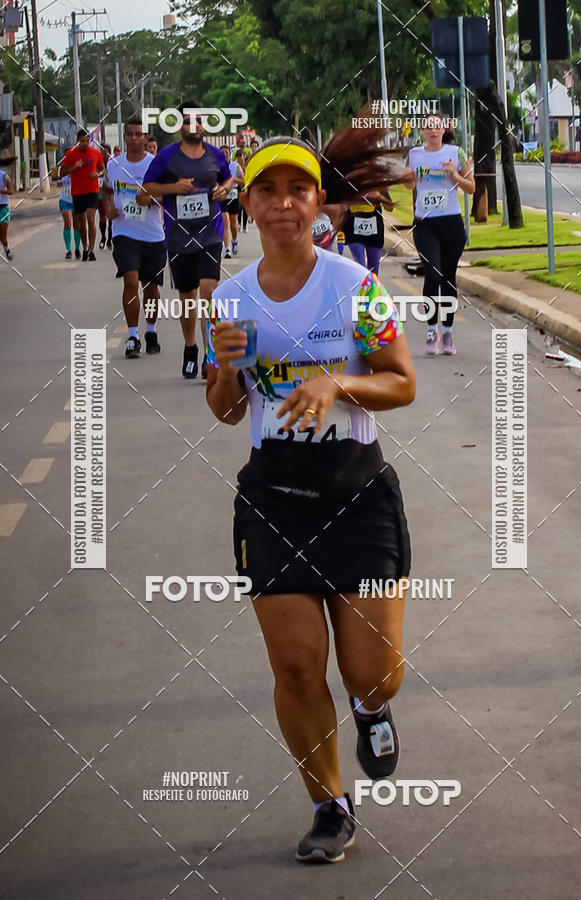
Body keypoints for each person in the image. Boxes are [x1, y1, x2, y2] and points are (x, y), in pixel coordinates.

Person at [206, 126, 416, 864]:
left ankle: (371, 707)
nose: (286, 203)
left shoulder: (356, 287)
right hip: (275, 500)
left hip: (357, 494)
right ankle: (330, 805)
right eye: (269, 190)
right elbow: (226, 410)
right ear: (251, 206)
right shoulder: (229, 301)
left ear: (317, 201)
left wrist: (338, 382)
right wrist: (228, 369)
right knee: (295, 667)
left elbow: (402, 381)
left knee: (371, 669)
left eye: (299, 189)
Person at [142, 100, 233, 379]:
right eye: (188, 120)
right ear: (179, 125)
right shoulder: (167, 157)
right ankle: (190, 347)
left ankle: (209, 355)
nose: (194, 125)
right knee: (188, 297)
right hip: (179, 238)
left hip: (209, 234)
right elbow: (144, 191)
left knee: (208, 292)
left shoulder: (216, 155)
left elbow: (229, 180)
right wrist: (173, 188)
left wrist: (223, 190)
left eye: (198, 120)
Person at [404, 114, 475, 356]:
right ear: (423, 131)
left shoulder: (457, 153)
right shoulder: (414, 155)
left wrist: (454, 176)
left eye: (437, 126)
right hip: (425, 223)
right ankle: (431, 331)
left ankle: (447, 332)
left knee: (448, 277)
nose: (433, 131)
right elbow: (408, 185)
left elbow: (471, 188)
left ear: (444, 130)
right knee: (432, 273)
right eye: (428, 127)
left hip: (451, 223)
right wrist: (410, 180)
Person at [103, 119, 166, 359]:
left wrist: (151, 200)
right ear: (124, 137)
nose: (133, 138)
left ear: (146, 138)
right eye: (129, 134)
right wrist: (108, 207)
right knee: (130, 280)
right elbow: (107, 190)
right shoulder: (114, 165)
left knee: (150, 287)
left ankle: (150, 330)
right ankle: (132, 336)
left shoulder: (156, 165)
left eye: (138, 134)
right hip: (124, 232)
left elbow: (166, 198)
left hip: (152, 234)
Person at [59, 129, 105, 261]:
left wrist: (97, 174)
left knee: (91, 219)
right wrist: (74, 167)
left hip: (92, 190)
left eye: (87, 141)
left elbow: (102, 169)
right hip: (78, 192)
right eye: (83, 141)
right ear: (78, 140)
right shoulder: (71, 154)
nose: (85, 144)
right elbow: (62, 172)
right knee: (81, 222)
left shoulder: (95, 153)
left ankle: (91, 250)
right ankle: (84, 248)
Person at [342, 187, 394, 275]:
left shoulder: (377, 182)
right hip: (354, 228)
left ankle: (371, 288)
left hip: (374, 229)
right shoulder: (350, 180)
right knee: (361, 269)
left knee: (373, 272)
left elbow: (389, 207)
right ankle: (363, 286)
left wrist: (380, 196)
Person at [221, 145, 244, 257]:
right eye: (222, 152)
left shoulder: (236, 166)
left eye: (226, 152)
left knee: (233, 224)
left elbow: (244, 180)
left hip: (233, 196)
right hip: (222, 196)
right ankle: (227, 249)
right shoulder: (216, 166)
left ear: (230, 153)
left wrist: (233, 180)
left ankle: (234, 241)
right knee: (226, 223)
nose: (225, 154)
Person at [58, 173, 82, 259]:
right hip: (64, 200)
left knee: (77, 225)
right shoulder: (63, 168)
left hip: (76, 200)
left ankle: (77, 248)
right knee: (67, 223)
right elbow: (59, 182)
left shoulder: (79, 167)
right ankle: (68, 250)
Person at [97, 143, 112, 250]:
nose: (104, 154)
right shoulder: (97, 164)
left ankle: (109, 240)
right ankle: (103, 238)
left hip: (111, 194)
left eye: (106, 151)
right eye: (102, 151)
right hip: (100, 194)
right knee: (102, 217)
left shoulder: (112, 164)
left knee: (110, 218)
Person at [0, 161, 14, 260]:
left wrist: (1, 191)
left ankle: (7, 250)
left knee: (3, 237)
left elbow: (11, 191)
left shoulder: (3, 175)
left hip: (3, 208)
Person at [235, 149, 249, 233]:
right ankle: (239, 223)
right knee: (239, 207)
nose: (241, 158)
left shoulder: (246, 165)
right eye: (239, 156)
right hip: (238, 188)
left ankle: (244, 225)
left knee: (245, 207)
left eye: (242, 156)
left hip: (246, 188)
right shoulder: (235, 166)